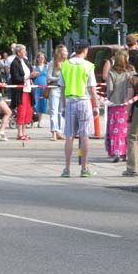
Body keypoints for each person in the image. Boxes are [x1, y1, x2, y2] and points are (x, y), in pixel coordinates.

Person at [59, 40, 99, 177]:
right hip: (84, 100)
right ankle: (84, 168)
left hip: (70, 101)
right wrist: (96, 105)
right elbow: (92, 88)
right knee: (85, 135)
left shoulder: (65, 65)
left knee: (69, 135)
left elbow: (62, 88)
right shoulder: (88, 66)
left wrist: (63, 106)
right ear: (85, 50)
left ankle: (67, 169)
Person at [106, 49, 135, 162]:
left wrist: (109, 98)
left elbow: (110, 88)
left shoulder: (112, 72)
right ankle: (127, 152)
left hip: (115, 103)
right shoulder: (131, 70)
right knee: (127, 128)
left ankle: (117, 152)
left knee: (115, 129)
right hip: (128, 103)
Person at [9, 44, 37, 140]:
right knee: (21, 110)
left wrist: (34, 74)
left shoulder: (25, 61)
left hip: (28, 89)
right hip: (21, 90)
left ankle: (24, 131)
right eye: (24, 51)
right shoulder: (14, 63)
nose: (25, 52)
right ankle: (19, 132)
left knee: (28, 111)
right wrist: (29, 76)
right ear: (19, 52)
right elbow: (15, 78)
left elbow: (31, 71)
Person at [48, 44, 66, 141]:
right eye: (65, 51)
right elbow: (49, 77)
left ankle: (59, 131)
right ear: (60, 53)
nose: (66, 53)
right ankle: (54, 132)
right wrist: (59, 79)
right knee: (53, 111)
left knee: (60, 111)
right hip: (55, 88)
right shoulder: (52, 63)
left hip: (63, 89)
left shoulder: (67, 63)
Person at [33, 52, 48, 128]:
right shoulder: (35, 67)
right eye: (40, 58)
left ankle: (40, 121)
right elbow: (32, 77)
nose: (41, 59)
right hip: (36, 87)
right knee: (36, 104)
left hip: (44, 87)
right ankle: (34, 118)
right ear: (37, 59)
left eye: (43, 58)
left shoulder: (47, 67)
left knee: (42, 104)